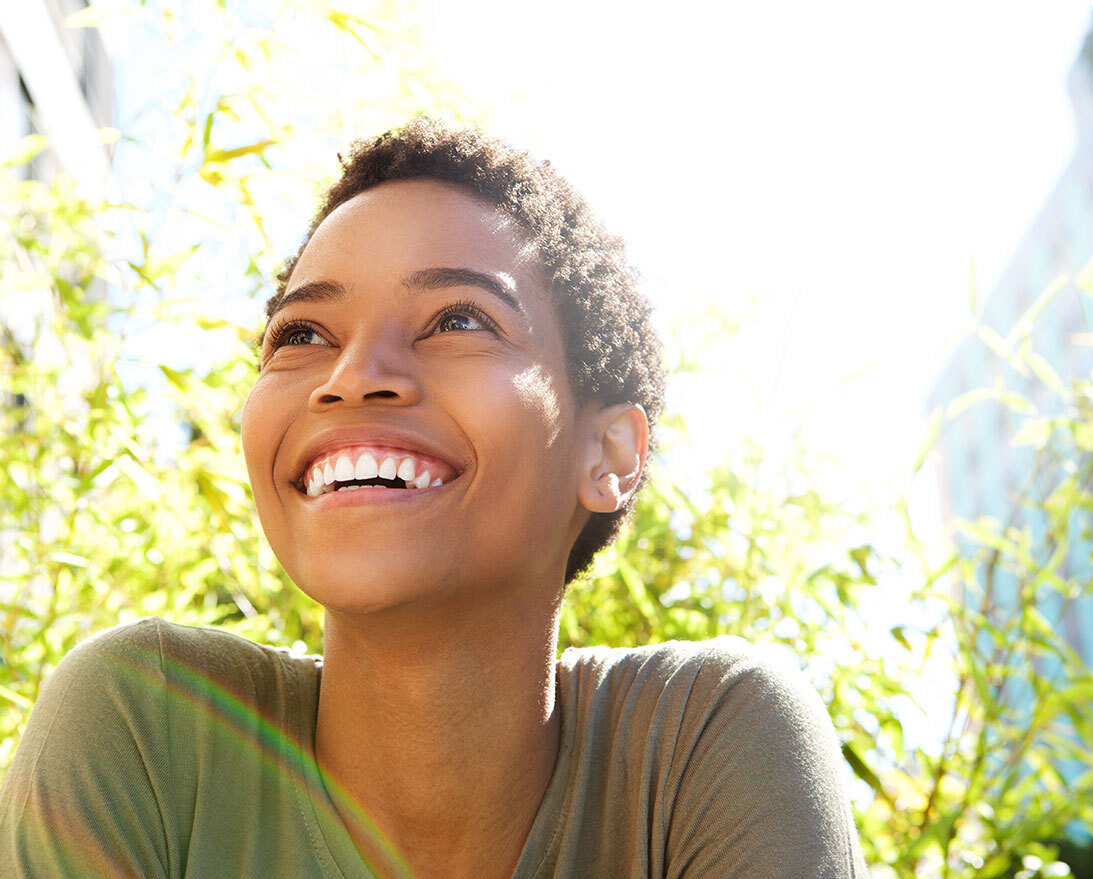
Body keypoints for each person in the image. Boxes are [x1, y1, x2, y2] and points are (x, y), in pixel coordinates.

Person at [0, 118, 868, 878]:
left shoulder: (703, 748)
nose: (351, 376)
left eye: (457, 320)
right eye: (303, 333)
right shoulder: (145, 726)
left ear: (608, 453)